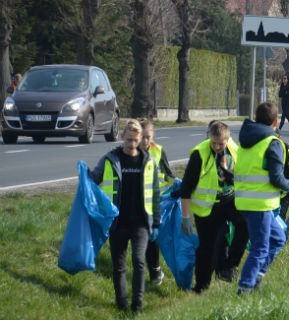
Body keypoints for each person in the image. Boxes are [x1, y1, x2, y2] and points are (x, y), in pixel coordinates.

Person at [89, 120, 160, 313]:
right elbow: (94, 180)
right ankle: (122, 304)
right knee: (118, 266)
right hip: (118, 223)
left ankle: (137, 305)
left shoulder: (148, 162)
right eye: (128, 140)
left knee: (138, 261)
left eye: (135, 140)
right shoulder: (110, 160)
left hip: (141, 223)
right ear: (122, 137)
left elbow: (155, 193)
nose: (131, 144)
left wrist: (156, 222)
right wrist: (84, 174)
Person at [179, 121, 248, 293]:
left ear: (228, 139)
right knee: (207, 248)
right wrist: (186, 217)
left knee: (245, 225)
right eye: (214, 143)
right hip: (208, 208)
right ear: (209, 137)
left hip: (230, 200)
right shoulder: (199, 155)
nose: (217, 147)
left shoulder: (233, 148)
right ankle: (201, 286)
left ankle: (229, 266)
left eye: (221, 144)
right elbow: (186, 188)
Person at [235, 102, 289, 294]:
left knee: (278, 238)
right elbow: (276, 178)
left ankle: (257, 276)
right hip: (259, 203)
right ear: (276, 122)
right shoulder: (272, 142)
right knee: (260, 248)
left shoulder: (246, 140)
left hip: (246, 200)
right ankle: (245, 287)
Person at [138, 118, 176, 286]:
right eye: (143, 137)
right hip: (136, 203)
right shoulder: (129, 152)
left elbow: (169, 175)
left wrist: (177, 186)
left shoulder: (158, 151)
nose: (146, 141)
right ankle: (149, 269)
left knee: (151, 238)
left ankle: (155, 271)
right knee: (142, 239)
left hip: (156, 202)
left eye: (149, 137)